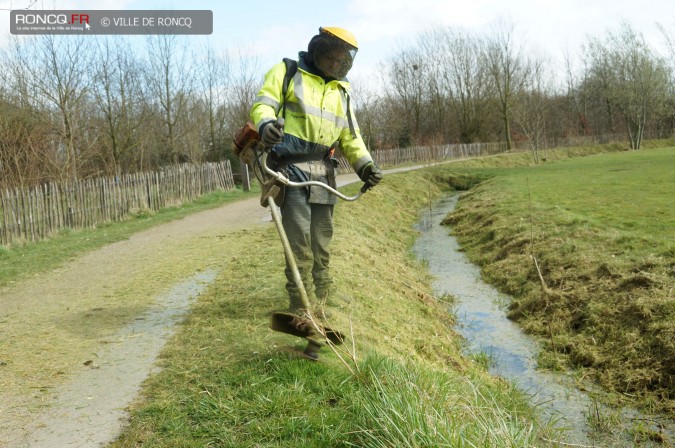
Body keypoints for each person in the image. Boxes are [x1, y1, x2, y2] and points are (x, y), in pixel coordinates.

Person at [250, 26, 382, 316]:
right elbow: (263, 105)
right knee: (299, 242)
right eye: (331, 58)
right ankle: (301, 306)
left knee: (322, 240)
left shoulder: (342, 90)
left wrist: (365, 166)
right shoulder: (287, 72)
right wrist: (266, 126)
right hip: (290, 168)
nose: (336, 65)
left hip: (324, 171)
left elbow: (351, 136)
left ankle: (323, 300)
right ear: (318, 50)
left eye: (341, 61)